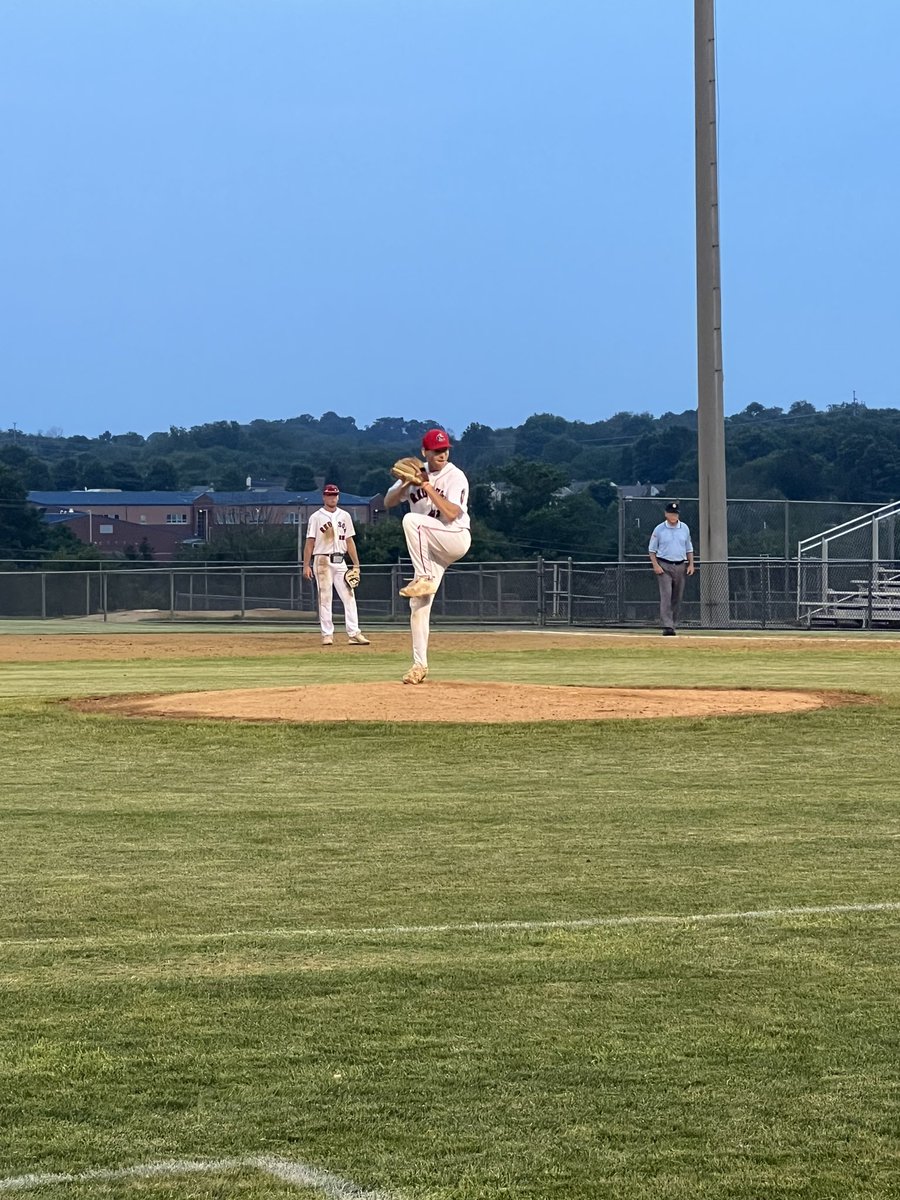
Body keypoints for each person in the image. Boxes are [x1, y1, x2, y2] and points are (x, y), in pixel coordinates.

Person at [384, 428, 471, 683]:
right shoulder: (415, 470)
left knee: (412, 520)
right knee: (418, 604)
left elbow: (452, 512)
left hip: (454, 536)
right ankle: (419, 666)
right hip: (430, 546)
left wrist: (425, 485)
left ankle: (422, 576)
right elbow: (388, 502)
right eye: (437, 450)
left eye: (445, 450)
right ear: (426, 452)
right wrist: (404, 484)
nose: (442, 454)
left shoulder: (455, 476)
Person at [303, 484, 370, 646]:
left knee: (349, 595)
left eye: (335, 495)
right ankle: (327, 634)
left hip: (340, 560)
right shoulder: (316, 517)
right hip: (322, 560)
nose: (332, 498)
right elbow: (309, 542)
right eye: (329, 495)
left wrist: (356, 564)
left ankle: (354, 633)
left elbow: (349, 540)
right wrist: (306, 564)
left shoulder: (345, 516)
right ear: (324, 497)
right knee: (325, 597)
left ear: (338, 497)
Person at [648, 501, 695, 635]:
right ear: (666, 514)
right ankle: (667, 625)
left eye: (675, 514)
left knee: (677, 596)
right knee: (666, 595)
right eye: (671, 513)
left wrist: (691, 564)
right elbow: (652, 550)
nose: (674, 516)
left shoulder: (684, 528)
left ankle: (673, 623)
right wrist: (655, 565)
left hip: (680, 564)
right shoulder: (659, 529)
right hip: (664, 565)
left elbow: (689, 548)